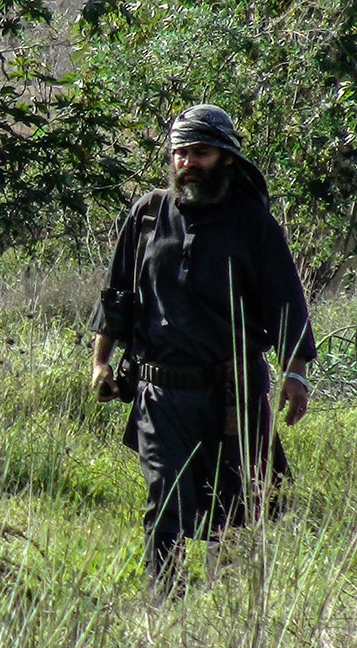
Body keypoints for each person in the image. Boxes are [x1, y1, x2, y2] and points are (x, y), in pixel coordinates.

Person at [89, 104, 316, 596]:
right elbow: (118, 297)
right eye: (180, 153)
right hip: (160, 393)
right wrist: (101, 361)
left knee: (234, 504)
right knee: (163, 499)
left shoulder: (252, 223)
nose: (188, 162)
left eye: (201, 153)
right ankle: (163, 606)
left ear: (226, 159)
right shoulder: (148, 213)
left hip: (233, 391)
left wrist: (295, 374)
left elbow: (286, 303)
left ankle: (227, 607)